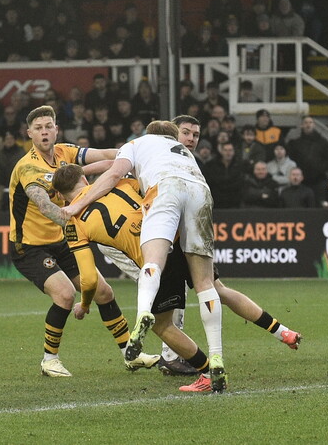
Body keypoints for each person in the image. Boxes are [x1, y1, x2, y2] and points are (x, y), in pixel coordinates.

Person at [61, 120, 228, 393]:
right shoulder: (176, 152)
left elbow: (112, 171)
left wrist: (84, 303)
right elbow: (112, 168)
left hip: (162, 207)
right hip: (199, 194)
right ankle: (218, 355)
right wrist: (82, 172)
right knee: (206, 284)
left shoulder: (135, 145)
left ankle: (145, 316)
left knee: (153, 273)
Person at [9, 105, 154, 378]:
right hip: (29, 246)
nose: (44, 132)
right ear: (29, 133)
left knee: (104, 292)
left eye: (48, 126)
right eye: (38, 128)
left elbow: (109, 155)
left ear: (56, 130)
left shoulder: (65, 152)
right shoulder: (28, 167)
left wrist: (135, 153)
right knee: (65, 295)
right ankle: (49, 360)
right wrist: (75, 222)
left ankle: (130, 354)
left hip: (61, 241)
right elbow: (44, 205)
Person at [157, 114, 302, 380]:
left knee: (167, 314)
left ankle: (188, 361)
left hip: (174, 241)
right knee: (213, 291)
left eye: (195, 135)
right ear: (171, 133)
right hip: (182, 237)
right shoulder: (174, 159)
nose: (191, 139)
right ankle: (282, 332)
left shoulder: (179, 161)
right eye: (185, 132)